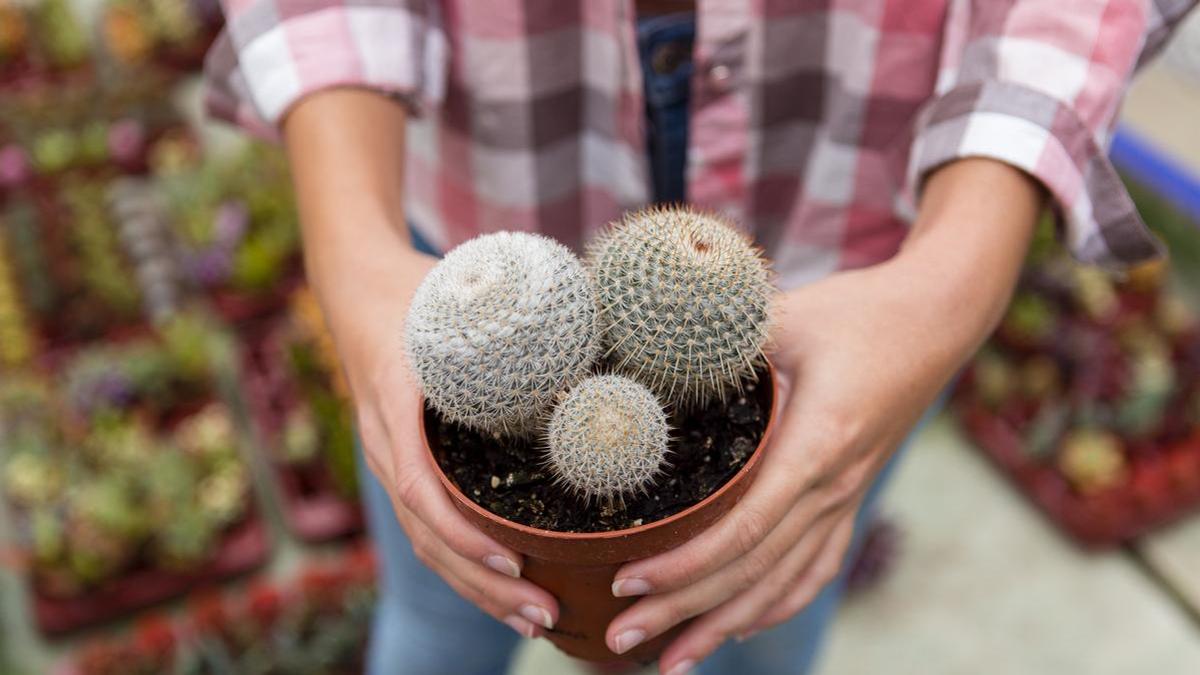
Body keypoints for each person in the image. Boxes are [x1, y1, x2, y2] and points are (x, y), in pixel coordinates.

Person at [206, 1, 1196, 673]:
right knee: (437, 614)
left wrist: (954, 278)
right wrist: (354, 256)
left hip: (855, 250)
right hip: (476, 240)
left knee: (767, 616)